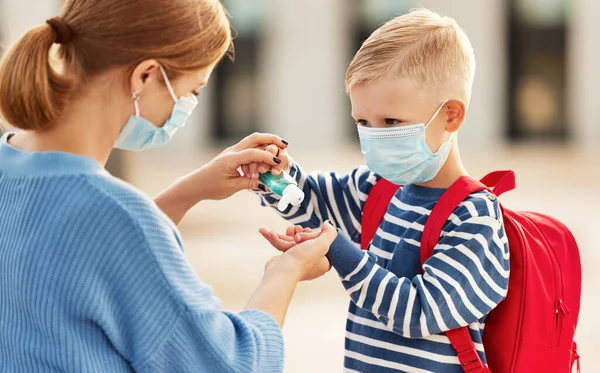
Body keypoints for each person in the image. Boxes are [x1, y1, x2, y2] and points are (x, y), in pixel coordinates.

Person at [0, 0, 336, 372]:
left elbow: (75, 252)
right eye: (192, 90)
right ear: (145, 76)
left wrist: (191, 190)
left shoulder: (11, 167)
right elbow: (234, 363)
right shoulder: (119, 219)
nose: (189, 105)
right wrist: (285, 271)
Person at [254, 8, 510, 373]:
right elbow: (310, 202)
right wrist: (272, 174)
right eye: (363, 121)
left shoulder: (474, 217)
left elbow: (420, 312)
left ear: (451, 115)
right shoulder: (379, 189)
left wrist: (340, 251)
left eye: (391, 121)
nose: (374, 135)